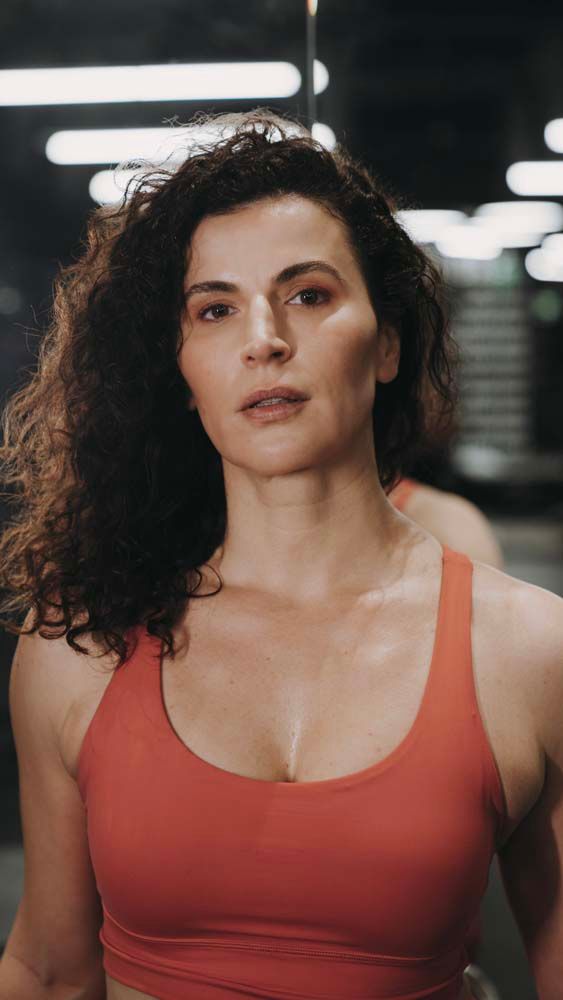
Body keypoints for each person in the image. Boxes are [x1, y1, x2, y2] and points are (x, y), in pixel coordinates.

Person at [0, 109, 561, 1000]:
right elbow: (50, 968)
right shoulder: (82, 643)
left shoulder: (531, 650)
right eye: (215, 309)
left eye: (306, 294)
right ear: (181, 372)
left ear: (384, 344)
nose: (263, 337)